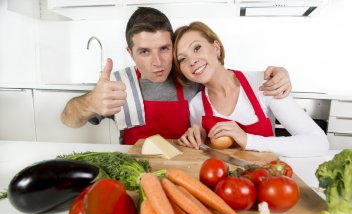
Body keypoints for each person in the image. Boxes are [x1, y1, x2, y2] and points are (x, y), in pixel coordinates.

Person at [61, 7, 293, 145]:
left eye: (164, 49)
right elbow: (68, 119)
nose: (158, 62)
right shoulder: (118, 86)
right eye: (144, 52)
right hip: (134, 174)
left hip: (187, 173)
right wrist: (89, 102)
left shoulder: (193, 77)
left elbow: (226, 78)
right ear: (130, 53)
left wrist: (277, 75)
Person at [173, 21, 329, 157]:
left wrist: (248, 140)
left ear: (216, 47)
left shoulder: (265, 84)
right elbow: (204, 154)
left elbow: (318, 142)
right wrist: (199, 139)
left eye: (197, 48)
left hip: (268, 181)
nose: (192, 61)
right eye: (182, 59)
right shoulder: (196, 106)